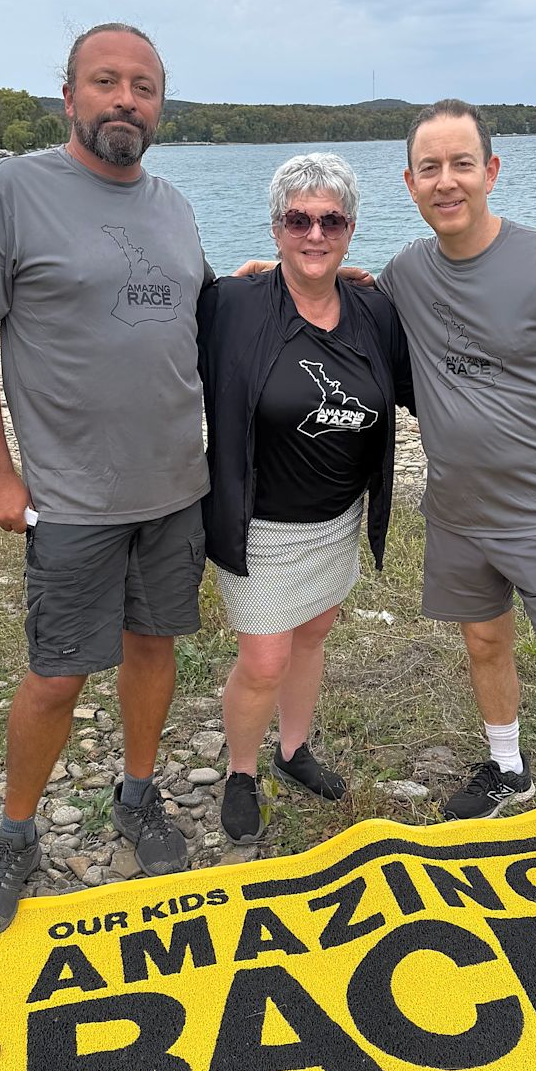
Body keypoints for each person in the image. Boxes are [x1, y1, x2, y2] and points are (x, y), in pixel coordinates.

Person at [0, 23, 211, 936]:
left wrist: (295, 280)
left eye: (143, 86)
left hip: (176, 487)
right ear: (69, 97)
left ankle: (137, 795)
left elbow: (200, 311)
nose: (125, 99)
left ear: (159, 106)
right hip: (70, 495)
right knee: (56, 675)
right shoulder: (11, 190)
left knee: (154, 649)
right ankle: (15, 833)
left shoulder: (175, 205)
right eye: (106, 81)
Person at [378, 99, 536, 920]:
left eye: (461, 164)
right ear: (410, 182)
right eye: (430, 168)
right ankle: (508, 768)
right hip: (456, 508)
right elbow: (345, 301)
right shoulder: (405, 273)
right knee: (484, 642)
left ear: (491, 170)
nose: (447, 182)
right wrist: (272, 278)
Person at [198, 153, 414, 845]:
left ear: (351, 229)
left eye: (331, 221)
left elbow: (417, 387)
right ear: (275, 227)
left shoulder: (374, 310)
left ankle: (293, 751)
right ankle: (241, 771)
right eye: (298, 220)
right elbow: (159, 362)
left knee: (314, 633)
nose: (314, 234)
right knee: (265, 659)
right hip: (261, 522)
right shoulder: (230, 305)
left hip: (338, 517)